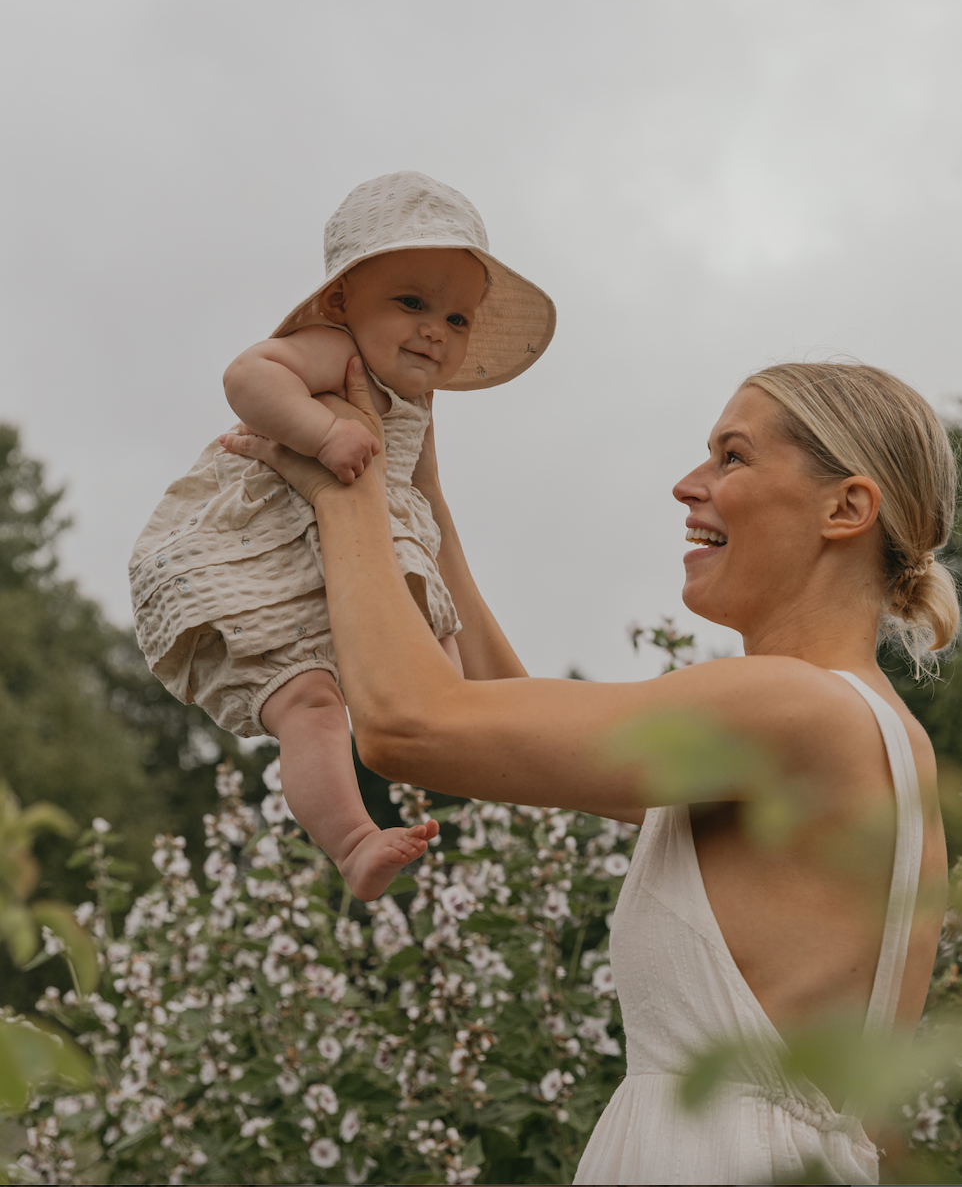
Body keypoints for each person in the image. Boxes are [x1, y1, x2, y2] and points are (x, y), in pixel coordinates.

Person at [220, 358, 955, 1186]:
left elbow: (407, 725)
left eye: (732, 457)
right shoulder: (870, 731)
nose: (687, 484)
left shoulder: (792, 710)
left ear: (846, 507)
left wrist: (342, 489)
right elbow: (501, 722)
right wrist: (416, 502)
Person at [128, 171, 555, 900]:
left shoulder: (415, 404)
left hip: (366, 552)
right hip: (270, 561)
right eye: (413, 303)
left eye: (456, 320)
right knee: (311, 704)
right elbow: (248, 375)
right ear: (340, 302)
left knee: (435, 655)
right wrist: (323, 431)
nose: (433, 331)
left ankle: (453, 730)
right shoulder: (335, 351)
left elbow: (422, 502)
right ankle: (353, 840)